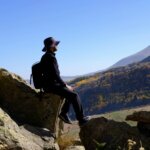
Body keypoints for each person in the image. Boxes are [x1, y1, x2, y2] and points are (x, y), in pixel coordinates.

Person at [40, 37, 90, 126]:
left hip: (49, 85)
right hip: (51, 86)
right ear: (52, 46)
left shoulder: (45, 57)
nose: (57, 46)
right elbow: (56, 75)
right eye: (55, 44)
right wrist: (65, 85)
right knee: (74, 96)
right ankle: (81, 120)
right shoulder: (51, 57)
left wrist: (65, 86)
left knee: (71, 92)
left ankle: (64, 113)